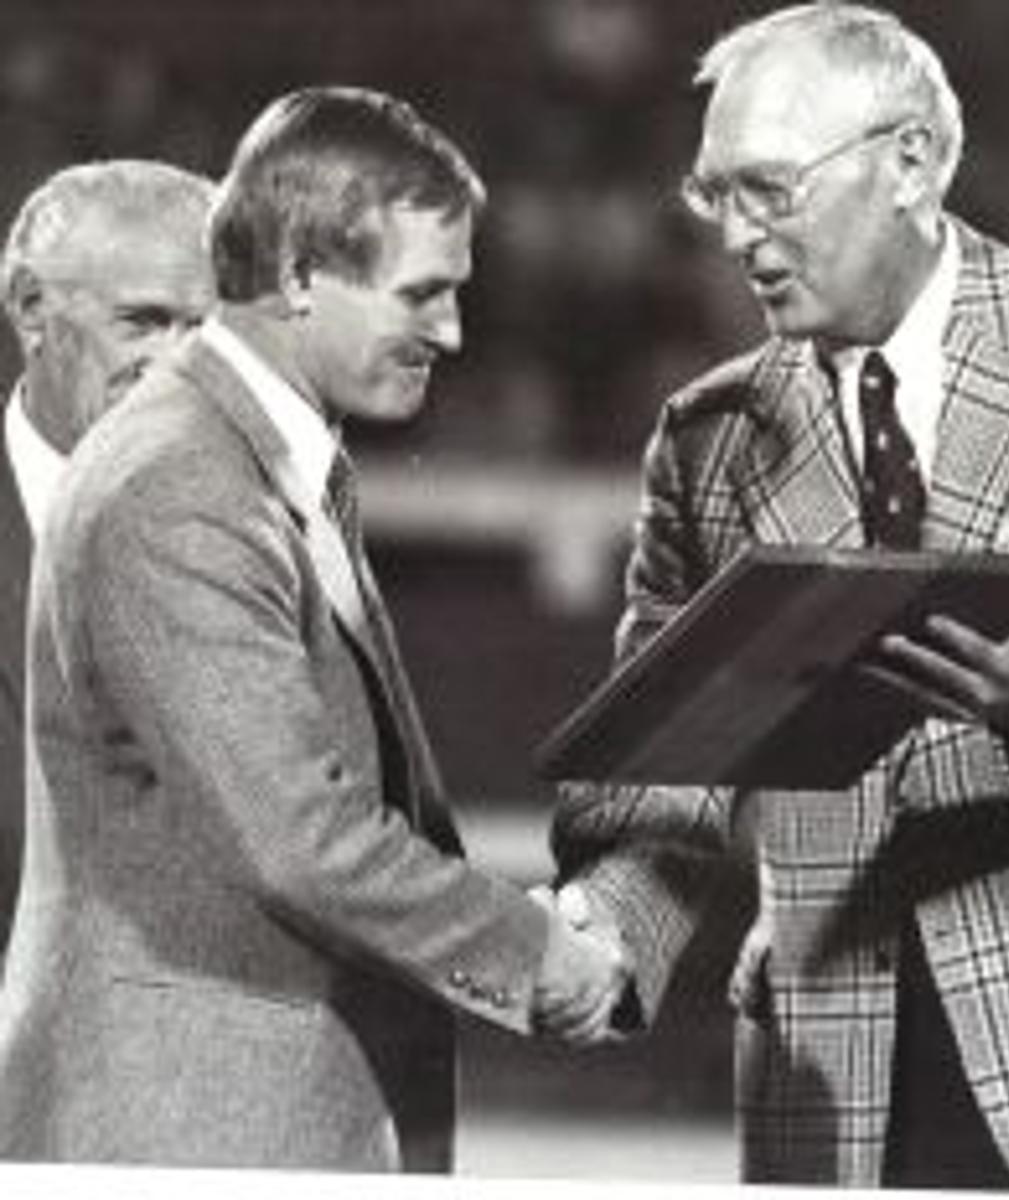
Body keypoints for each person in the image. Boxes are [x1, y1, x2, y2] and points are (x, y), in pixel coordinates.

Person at [550, 4, 1009, 1192]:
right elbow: (665, 776)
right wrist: (602, 932)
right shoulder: (705, 437)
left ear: (911, 163)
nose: (735, 237)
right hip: (832, 1090)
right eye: (713, 196)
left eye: (769, 189)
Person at [0, 87, 627, 1171]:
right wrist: (539, 955)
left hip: (244, 1117)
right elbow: (300, 837)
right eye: (421, 294)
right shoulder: (179, 481)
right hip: (189, 1130)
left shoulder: (254, 459)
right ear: (297, 277)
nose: (453, 331)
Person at [0, 160, 216, 964]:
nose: (178, 367)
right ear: (31, 308)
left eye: (204, 333)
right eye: (143, 322)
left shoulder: (283, 535)